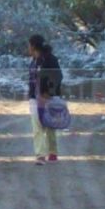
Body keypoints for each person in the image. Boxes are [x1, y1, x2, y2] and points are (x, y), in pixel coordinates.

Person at [28, 34, 63, 165]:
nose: (28, 48)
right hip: (34, 98)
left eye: (29, 45)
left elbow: (58, 76)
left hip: (49, 97)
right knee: (37, 125)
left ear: (33, 46)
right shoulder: (34, 61)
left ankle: (52, 152)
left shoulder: (50, 60)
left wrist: (49, 93)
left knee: (49, 124)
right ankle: (40, 155)